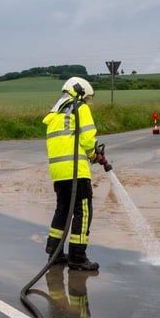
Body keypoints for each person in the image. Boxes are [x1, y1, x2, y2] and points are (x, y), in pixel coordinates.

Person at [43, 77, 108, 270]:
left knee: (62, 210)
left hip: (58, 173)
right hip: (76, 171)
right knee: (83, 211)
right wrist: (93, 155)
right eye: (86, 97)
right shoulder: (80, 108)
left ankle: (54, 253)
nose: (87, 101)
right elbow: (88, 139)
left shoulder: (55, 114)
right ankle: (77, 257)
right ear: (79, 92)